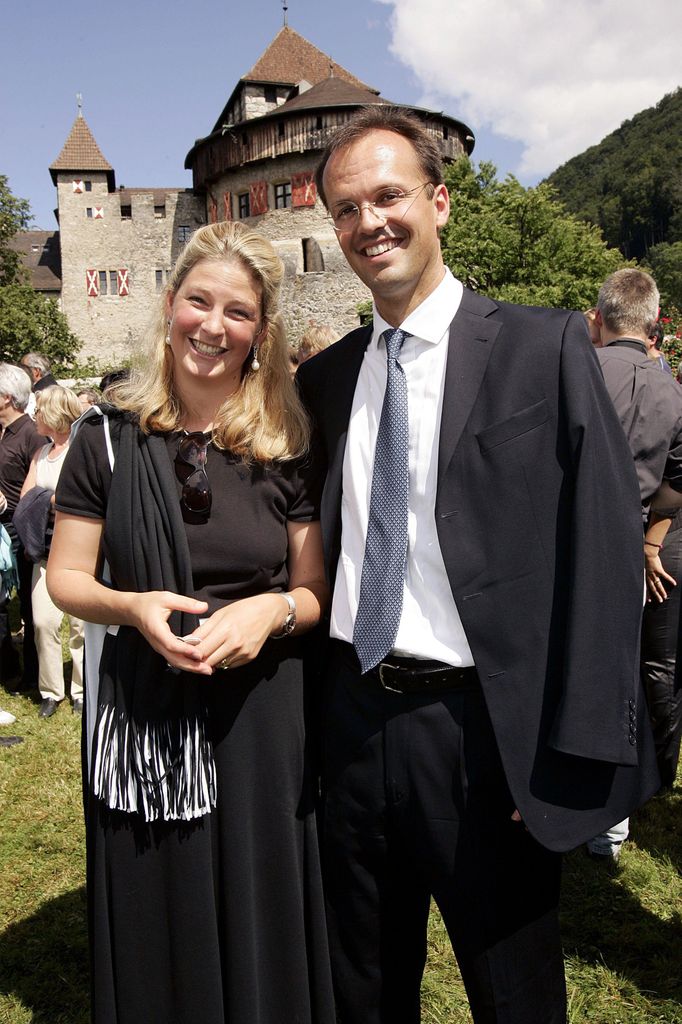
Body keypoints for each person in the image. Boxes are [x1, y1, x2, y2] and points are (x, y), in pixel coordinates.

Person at [297, 106, 659, 1024]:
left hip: (483, 735)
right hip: (351, 720)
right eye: (346, 209)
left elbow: (607, 554)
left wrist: (564, 757)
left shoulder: (544, 348)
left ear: (440, 201)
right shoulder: (328, 378)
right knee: (365, 991)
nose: (369, 223)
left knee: (515, 993)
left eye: (388, 197)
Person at [46, 221, 334, 1024]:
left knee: (256, 898)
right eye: (198, 301)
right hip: (145, 710)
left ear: (260, 332)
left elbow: (314, 590)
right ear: (169, 305)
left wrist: (271, 612)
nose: (213, 326)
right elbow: (66, 577)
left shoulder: (289, 444)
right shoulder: (105, 438)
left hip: (261, 719)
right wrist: (132, 608)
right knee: (158, 904)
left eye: (236, 312)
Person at [594, 270, 682, 799]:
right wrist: (651, 542)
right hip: (632, 541)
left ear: (600, 317)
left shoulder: (577, 369)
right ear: (652, 324)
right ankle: (631, 794)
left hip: (575, 541)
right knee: (636, 668)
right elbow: (676, 484)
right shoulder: (671, 392)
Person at [18, 386, 86, 718]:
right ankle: (50, 691)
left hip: (81, 554)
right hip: (44, 551)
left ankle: (81, 690)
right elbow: (25, 498)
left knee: (81, 626)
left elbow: (82, 499)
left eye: (40, 410)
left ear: (57, 413)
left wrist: (49, 500)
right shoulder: (40, 454)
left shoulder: (81, 450)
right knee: (44, 622)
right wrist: (53, 500)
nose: (35, 416)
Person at [0, 363, 48, 689]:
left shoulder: (31, 434)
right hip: (1, 529)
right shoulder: (1, 431)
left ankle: (32, 675)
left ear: (5, 397)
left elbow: (42, 487)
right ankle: (6, 665)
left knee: (30, 609)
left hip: (20, 530)